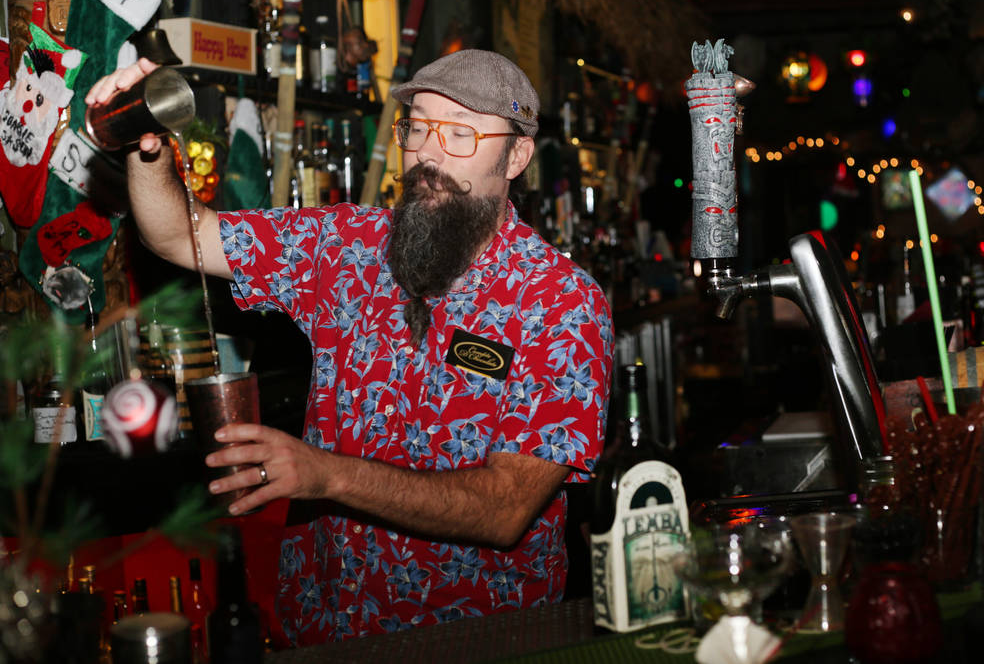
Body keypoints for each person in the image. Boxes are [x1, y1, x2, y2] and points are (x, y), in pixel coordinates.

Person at [87, 49, 614, 645]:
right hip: (325, 628)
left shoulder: (560, 303)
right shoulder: (346, 247)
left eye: (461, 134)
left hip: (477, 638)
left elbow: (505, 509)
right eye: (417, 128)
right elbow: (182, 235)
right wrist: (143, 144)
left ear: (516, 155)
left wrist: (327, 476)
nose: (429, 153)